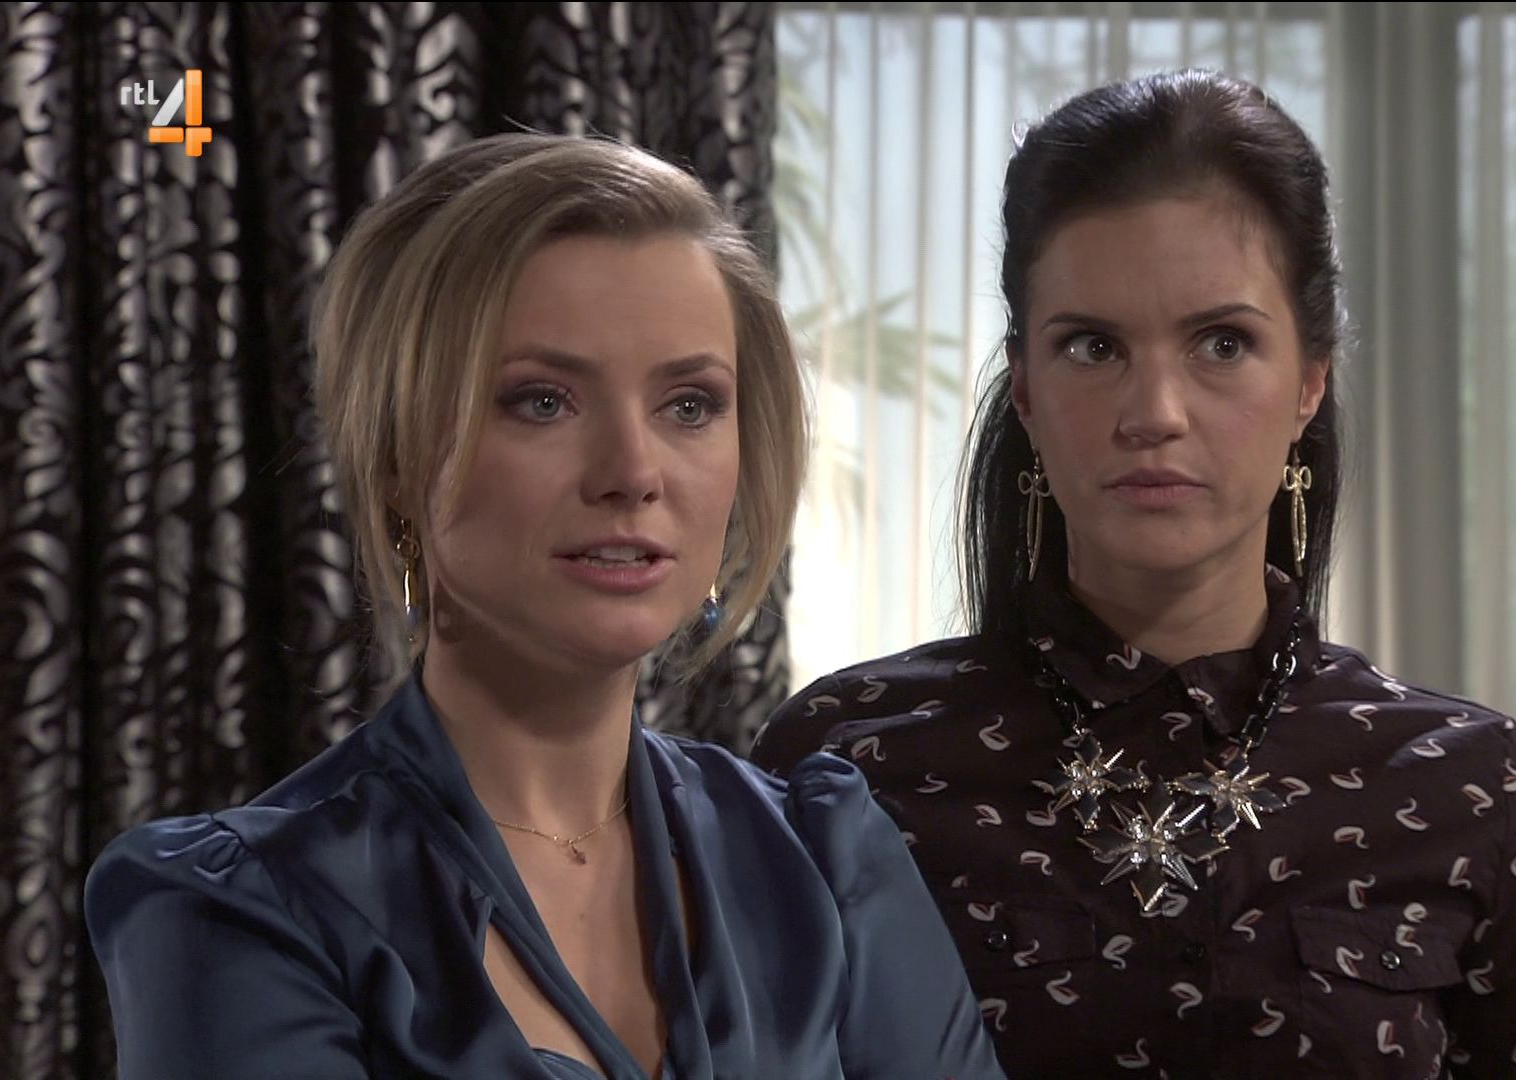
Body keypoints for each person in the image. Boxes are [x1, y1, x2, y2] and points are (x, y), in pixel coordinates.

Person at [754, 72, 1516, 1078]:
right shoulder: (850, 764)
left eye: (1222, 343)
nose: (1156, 413)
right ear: (1027, 389)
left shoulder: (1477, 792)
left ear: (1309, 380)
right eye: (1093, 346)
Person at [85, 133, 1003, 1080]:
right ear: (399, 459)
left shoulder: (824, 856)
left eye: (689, 405)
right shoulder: (241, 904)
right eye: (542, 402)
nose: (633, 472)